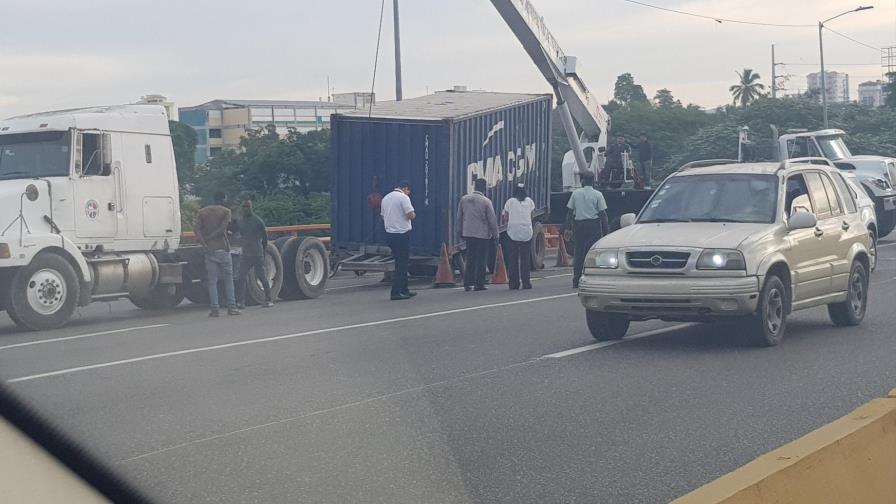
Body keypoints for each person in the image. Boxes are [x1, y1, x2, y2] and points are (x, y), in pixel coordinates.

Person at [194, 192, 240, 317]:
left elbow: (196, 230)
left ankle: (214, 309)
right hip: (223, 248)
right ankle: (232, 307)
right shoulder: (226, 211)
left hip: (209, 251)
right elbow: (222, 229)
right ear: (223, 199)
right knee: (228, 280)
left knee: (212, 282)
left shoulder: (202, 212)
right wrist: (210, 238)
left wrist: (204, 243)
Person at [566, 173, 610, 289]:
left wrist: (567, 228)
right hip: (593, 226)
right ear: (593, 181)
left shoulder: (575, 194)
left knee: (579, 253)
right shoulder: (598, 195)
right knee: (594, 253)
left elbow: (570, 212)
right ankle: (594, 279)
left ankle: (576, 280)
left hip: (579, 225)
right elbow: (603, 214)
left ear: (582, 181)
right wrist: (607, 233)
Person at [458, 178, 499, 292]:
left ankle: (467, 283)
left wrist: (460, 230)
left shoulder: (464, 199)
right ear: (484, 188)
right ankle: (478, 284)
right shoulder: (486, 201)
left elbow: (459, 217)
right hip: (482, 234)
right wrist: (496, 235)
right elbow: (492, 220)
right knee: (481, 259)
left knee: (470, 258)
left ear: (475, 187)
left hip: (468, 233)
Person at [381, 180, 417, 300]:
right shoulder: (403, 198)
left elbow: (382, 215)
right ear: (406, 188)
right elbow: (410, 215)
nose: (408, 193)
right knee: (402, 265)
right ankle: (396, 292)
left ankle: (405, 290)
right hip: (402, 233)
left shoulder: (386, 198)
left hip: (389, 234)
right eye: (408, 191)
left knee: (400, 262)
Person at [234, 200, 273, 309]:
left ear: (251, 207)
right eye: (244, 207)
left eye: (248, 207)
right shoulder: (240, 221)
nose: (246, 209)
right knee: (240, 277)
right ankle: (241, 301)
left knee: (261, 276)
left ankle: (268, 299)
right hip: (246, 254)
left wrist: (264, 252)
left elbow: (265, 238)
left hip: (257, 253)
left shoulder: (258, 221)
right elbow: (235, 231)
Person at [502, 184, 535, 290]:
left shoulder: (510, 202)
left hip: (513, 233)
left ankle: (514, 284)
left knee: (513, 259)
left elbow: (505, 217)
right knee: (525, 259)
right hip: (527, 233)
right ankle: (526, 283)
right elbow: (532, 216)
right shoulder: (530, 201)